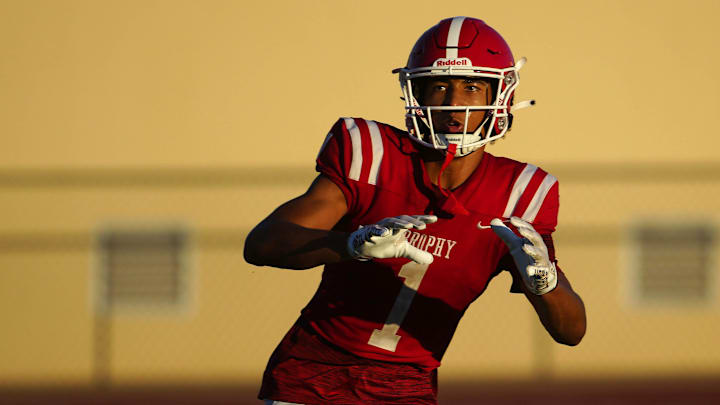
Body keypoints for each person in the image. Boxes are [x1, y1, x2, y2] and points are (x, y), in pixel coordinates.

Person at [244, 16, 586, 405]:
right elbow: (262, 244)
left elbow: (571, 331)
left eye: (472, 86)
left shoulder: (521, 194)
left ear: (501, 95)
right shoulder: (372, 155)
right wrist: (351, 245)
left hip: (407, 387)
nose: (453, 102)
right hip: (312, 374)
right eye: (439, 85)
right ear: (416, 92)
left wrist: (546, 284)